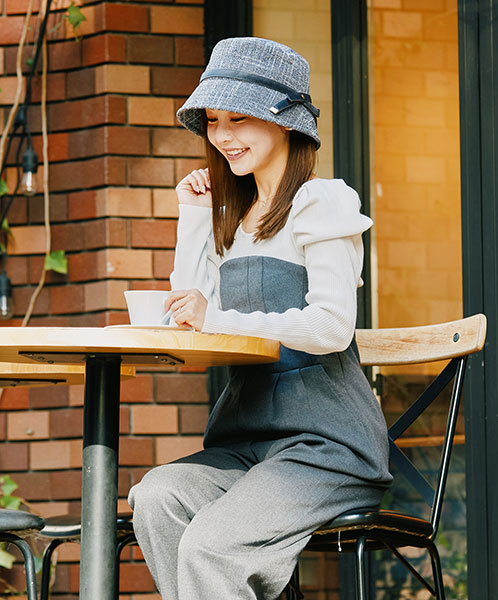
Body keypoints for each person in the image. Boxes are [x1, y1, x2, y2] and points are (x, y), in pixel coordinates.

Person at [128, 37, 392, 600]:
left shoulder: (322, 203)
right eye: (214, 121)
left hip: (326, 449)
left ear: (286, 122)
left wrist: (218, 315)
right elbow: (189, 314)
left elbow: (330, 328)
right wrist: (194, 217)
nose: (222, 136)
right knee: (157, 497)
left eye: (239, 118)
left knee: (212, 546)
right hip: (246, 444)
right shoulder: (234, 218)